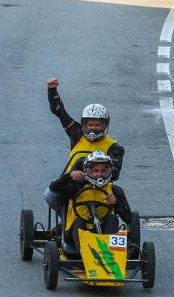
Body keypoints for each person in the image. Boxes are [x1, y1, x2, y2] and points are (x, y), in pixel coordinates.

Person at [44, 77, 125, 215]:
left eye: (97, 125)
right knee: (50, 194)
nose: (93, 128)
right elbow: (60, 113)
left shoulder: (114, 147)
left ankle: (112, 222)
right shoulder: (77, 135)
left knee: (118, 195)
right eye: (90, 125)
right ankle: (67, 221)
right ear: (84, 125)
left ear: (104, 125)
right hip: (72, 183)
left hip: (100, 186)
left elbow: (115, 174)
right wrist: (52, 91)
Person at [48, 151, 133, 251]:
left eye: (103, 171)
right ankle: (84, 252)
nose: (99, 175)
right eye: (95, 171)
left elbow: (129, 219)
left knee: (112, 219)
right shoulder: (76, 186)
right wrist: (69, 176)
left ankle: (111, 252)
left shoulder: (114, 190)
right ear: (88, 171)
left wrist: (116, 203)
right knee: (80, 221)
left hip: (102, 230)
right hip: (74, 232)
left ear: (109, 171)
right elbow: (53, 188)